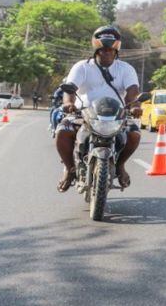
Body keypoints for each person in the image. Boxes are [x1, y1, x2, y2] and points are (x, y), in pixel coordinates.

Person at [55, 25, 142, 192]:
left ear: (116, 51)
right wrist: (68, 103)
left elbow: (132, 91)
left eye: (110, 50)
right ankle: (70, 170)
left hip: (116, 115)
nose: (107, 53)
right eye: (103, 50)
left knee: (134, 133)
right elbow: (70, 89)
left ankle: (120, 165)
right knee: (63, 130)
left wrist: (135, 106)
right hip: (84, 113)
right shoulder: (82, 66)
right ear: (96, 50)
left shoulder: (126, 69)